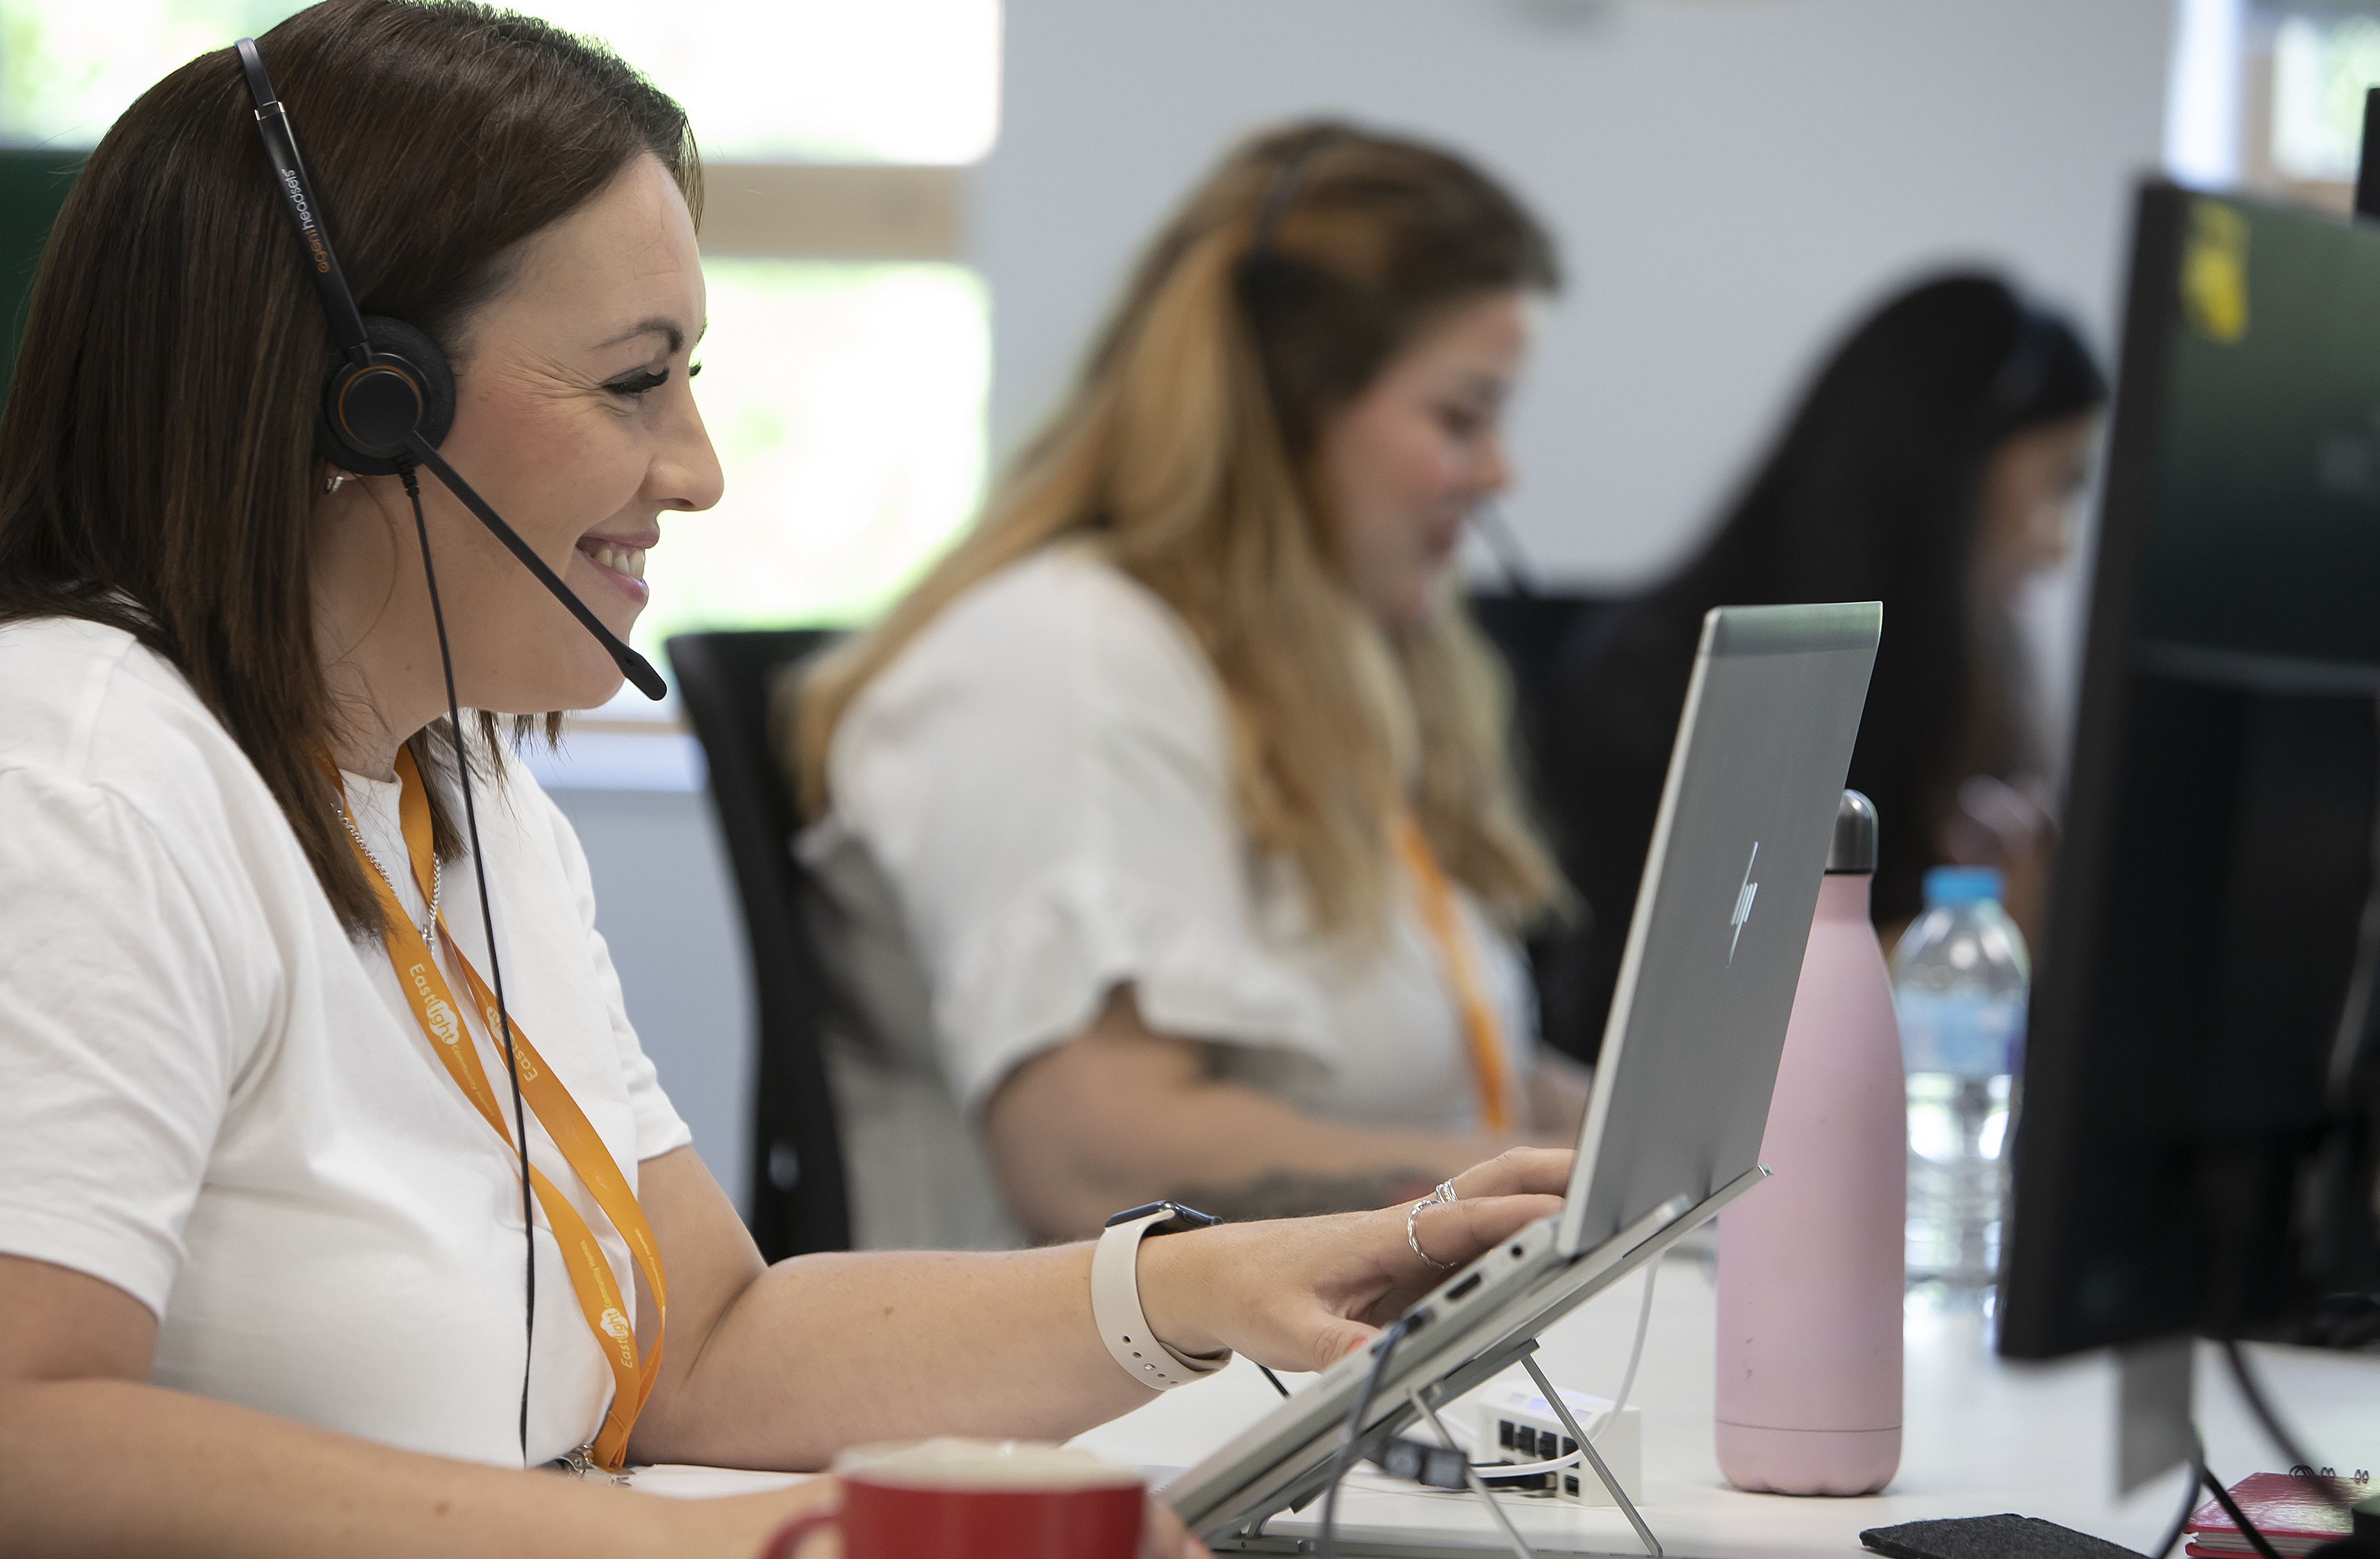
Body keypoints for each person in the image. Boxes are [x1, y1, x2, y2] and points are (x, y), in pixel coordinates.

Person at [0, 8, 1571, 1556]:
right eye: (633, 380)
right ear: (369, 403)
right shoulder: (81, 771)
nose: (697, 464)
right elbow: (27, 1426)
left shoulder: (459, 783)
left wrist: (1203, 1286)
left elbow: (708, 1342)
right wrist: (762, 1541)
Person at [789, 123, 1592, 1251]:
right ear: (1285, 410)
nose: (1499, 471)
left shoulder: (1299, 671)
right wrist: (1545, 1184)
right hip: (1085, 1416)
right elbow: (1090, 1159)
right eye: (1462, 415)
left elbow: (1455, 1079)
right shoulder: (1063, 661)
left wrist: (1640, 1143)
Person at [1540, 274, 2108, 1060]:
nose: (2059, 545)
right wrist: (1962, 946)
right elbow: (1677, 1043)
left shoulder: (1977, 678)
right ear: (1945, 472)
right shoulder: (1671, 682)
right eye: (2058, 486)